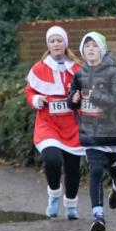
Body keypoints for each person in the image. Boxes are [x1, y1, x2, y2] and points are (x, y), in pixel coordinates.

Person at [68, 32, 116, 231]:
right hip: (90, 134)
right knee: (94, 171)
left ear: (101, 49)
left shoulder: (114, 74)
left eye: (94, 46)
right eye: (87, 47)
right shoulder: (79, 75)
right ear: (82, 51)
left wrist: (99, 97)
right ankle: (98, 218)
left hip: (111, 133)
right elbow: (72, 100)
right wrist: (73, 100)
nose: (90, 49)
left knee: (114, 171)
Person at [24, 26, 84, 219]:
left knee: (73, 167)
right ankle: (54, 196)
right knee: (53, 159)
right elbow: (29, 91)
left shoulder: (77, 69)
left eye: (59, 40)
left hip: (72, 125)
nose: (56, 44)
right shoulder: (39, 68)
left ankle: (71, 205)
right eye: (52, 41)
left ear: (65, 43)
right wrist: (36, 100)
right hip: (48, 124)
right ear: (48, 45)